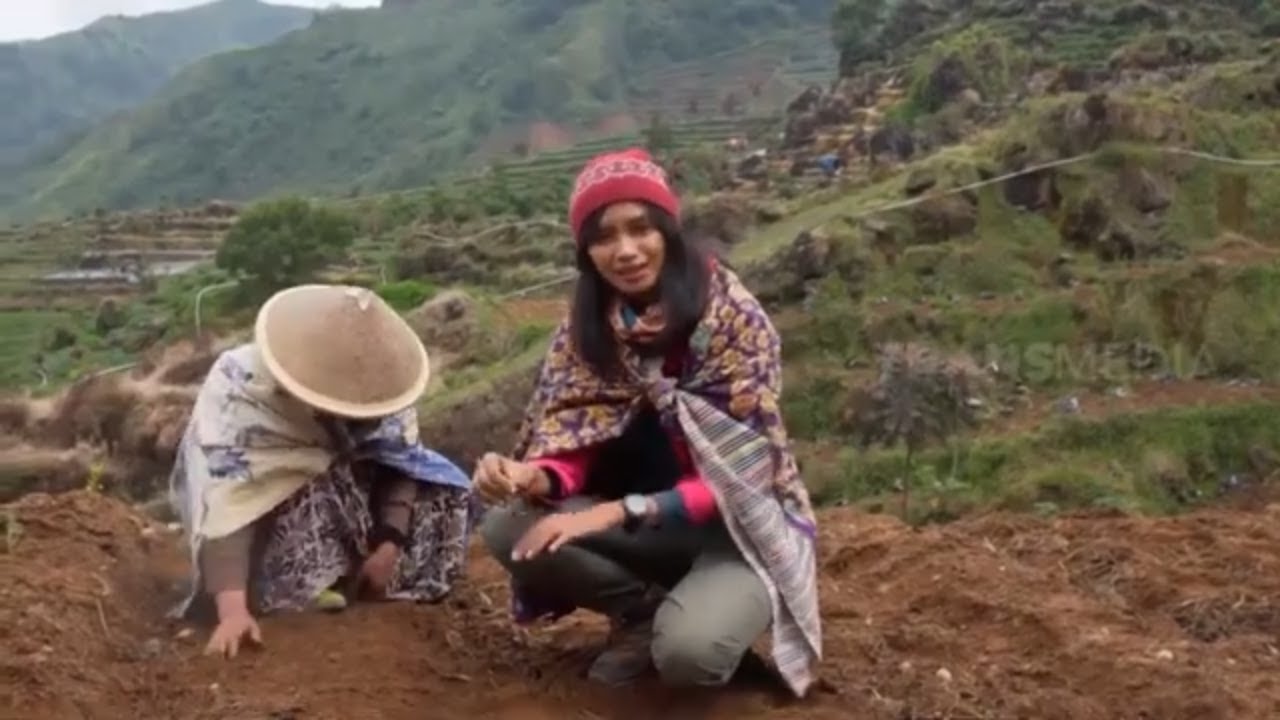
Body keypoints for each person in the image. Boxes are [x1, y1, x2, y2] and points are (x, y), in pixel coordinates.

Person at [474, 148, 822, 698]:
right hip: (651, 529)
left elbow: (741, 477)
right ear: (587, 252)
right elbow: (576, 440)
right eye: (605, 236)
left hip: (741, 530)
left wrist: (614, 513)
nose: (626, 251)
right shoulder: (587, 333)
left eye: (641, 228)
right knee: (507, 525)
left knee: (689, 655)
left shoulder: (732, 321)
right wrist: (528, 475)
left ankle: (715, 617)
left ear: (668, 229)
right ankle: (640, 612)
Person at [167, 284, 474, 659]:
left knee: (441, 490)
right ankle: (294, 590)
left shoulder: (384, 388)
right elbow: (228, 504)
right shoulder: (243, 392)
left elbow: (400, 464)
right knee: (310, 482)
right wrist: (232, 612)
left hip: (360, 512)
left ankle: (369, 576)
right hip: (269, 529)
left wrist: (389, 543)